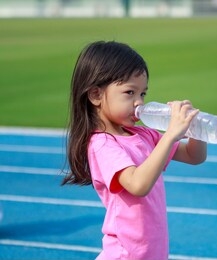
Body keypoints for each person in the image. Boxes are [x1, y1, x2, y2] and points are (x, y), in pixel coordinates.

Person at [62, 41, 207, 260]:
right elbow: (138, 185)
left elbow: (193, 156)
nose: (139, 103)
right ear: (96, 96)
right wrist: (169, 135)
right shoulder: (102, 144)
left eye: (143, 94)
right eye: (130, 92)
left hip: (153, 253)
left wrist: (197, 129)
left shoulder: (144, 135)